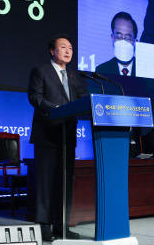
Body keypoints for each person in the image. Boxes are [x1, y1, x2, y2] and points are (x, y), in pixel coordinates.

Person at [28, 35, 87, 241]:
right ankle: (43, 226)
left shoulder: (73, 76)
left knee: (64, 183)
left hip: (67, 135)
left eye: (70, 47)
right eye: (63, 47)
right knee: (46, 183)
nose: (68, 50)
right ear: (52, 51)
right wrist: (56, 109)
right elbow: (35, 97)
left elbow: (81, 100)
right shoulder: (41, 71)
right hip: (47, 133)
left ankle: (61, 225)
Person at [95, 12, 137, 77]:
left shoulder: (144, 70)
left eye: (128, 37)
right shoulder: (101, 71)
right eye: (118, 36)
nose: (123, 41)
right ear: (112, 38)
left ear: (135, 41)